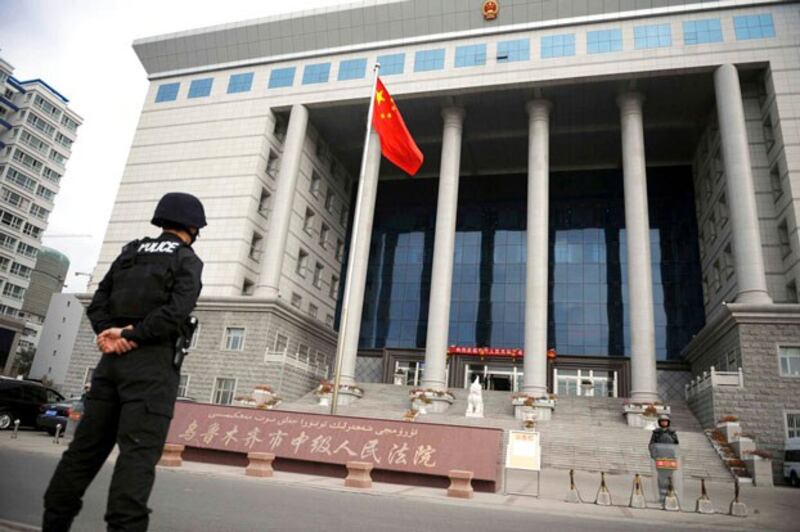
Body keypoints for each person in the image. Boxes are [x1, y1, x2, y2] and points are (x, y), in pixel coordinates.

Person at [43, 192, 206, 532]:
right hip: (151, 369)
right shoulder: (186, 259)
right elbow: (175, 313)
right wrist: (132, 335)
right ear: (193, 225)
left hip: (110, 367)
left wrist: (109, 334)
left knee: (82, 455)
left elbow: (98, 301)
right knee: (136, 460)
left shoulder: (130, 252)